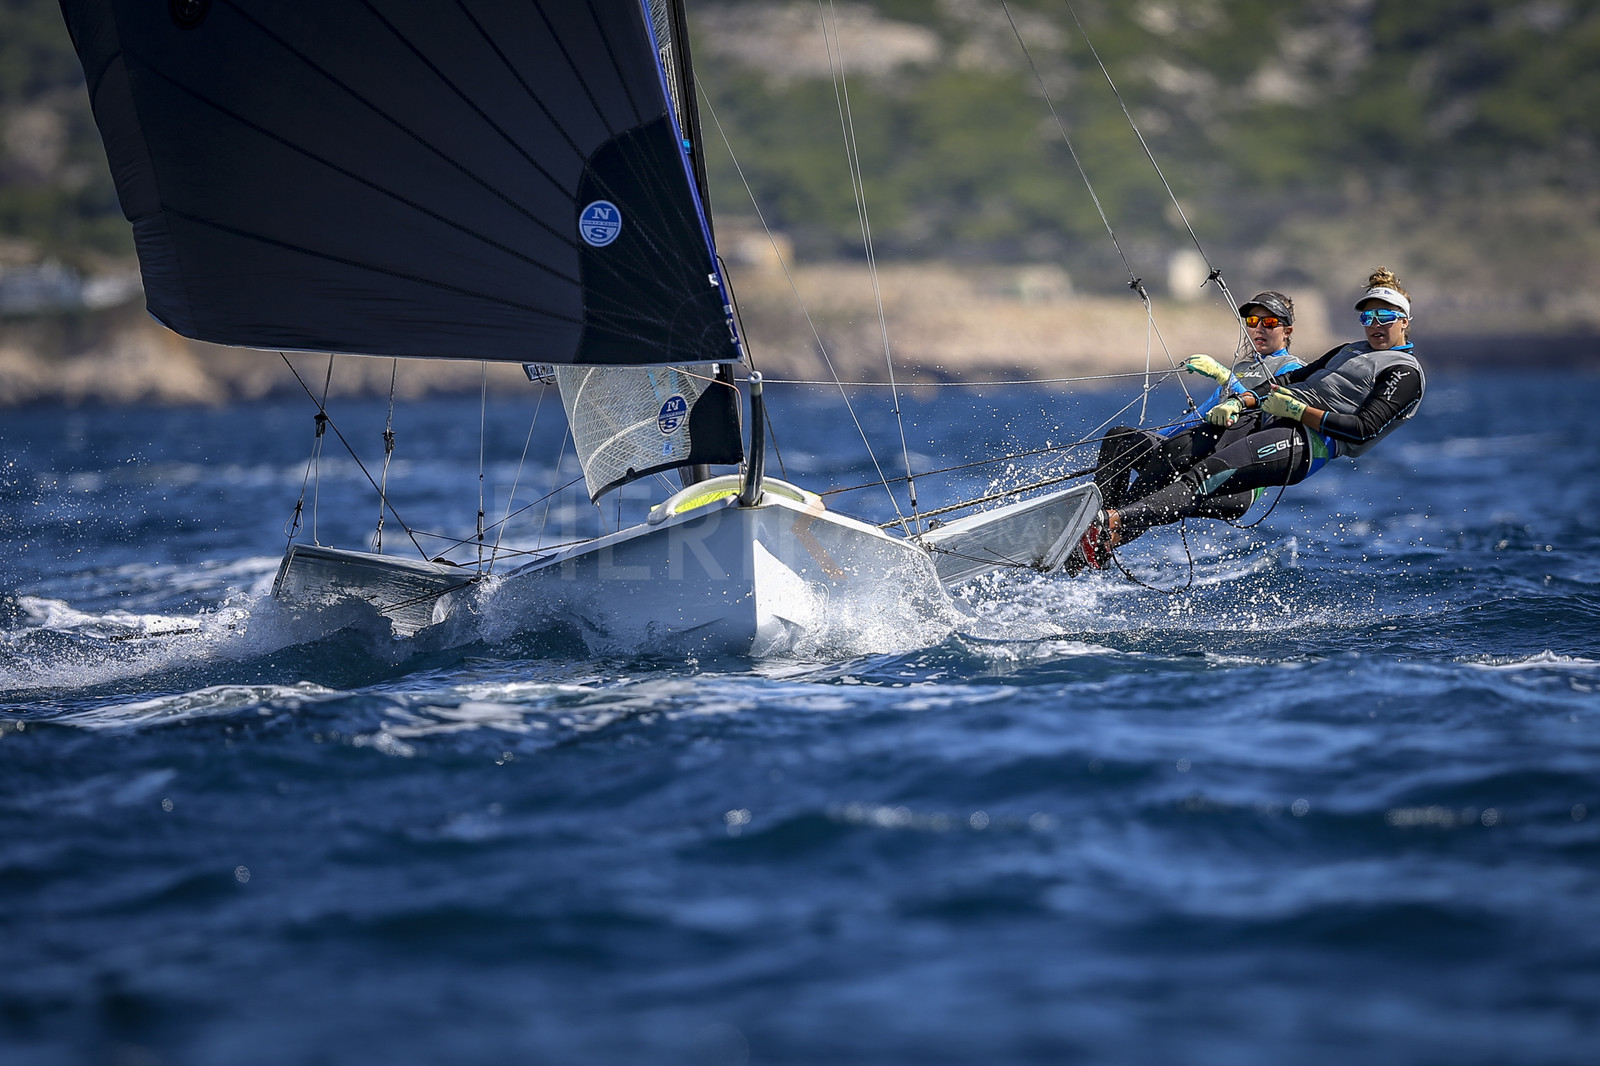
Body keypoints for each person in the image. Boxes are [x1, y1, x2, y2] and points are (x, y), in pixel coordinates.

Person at [1075, 268, 1425, 570]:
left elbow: (1363, 430)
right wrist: (1243, 399)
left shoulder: (1404, 372)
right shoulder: (1349, 349)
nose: (1375, 325)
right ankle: (1094, 540)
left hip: (1309, 443)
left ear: (1405, 321)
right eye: (1368, 317)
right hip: (1268, 421)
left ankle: (1103, 526)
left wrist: (1298, 412)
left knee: (1200, 476)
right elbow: (1290, 383)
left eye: (1385, 317)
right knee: (1157, 454)